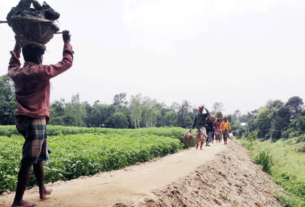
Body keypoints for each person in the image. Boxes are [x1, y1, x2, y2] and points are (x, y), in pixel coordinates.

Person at [8, 30, 74, 207]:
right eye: (42, 55)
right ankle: (18, 201)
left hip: (23, 120)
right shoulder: (42, 71)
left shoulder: (16, 72)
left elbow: (12, 62)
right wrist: (67, 42)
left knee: (38, 156)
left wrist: (17, 45)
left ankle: (42, 190)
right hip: (36, 120)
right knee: (29, 159)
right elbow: (67, 62)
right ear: (39, 57)